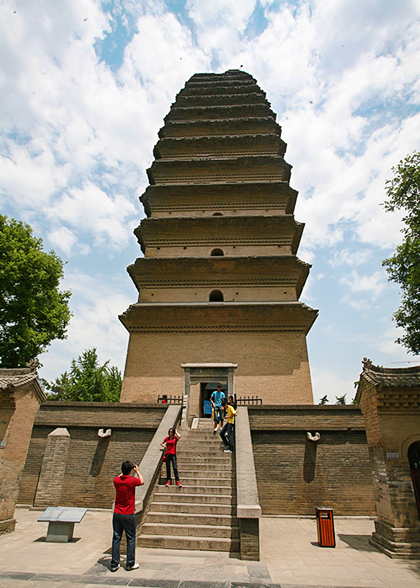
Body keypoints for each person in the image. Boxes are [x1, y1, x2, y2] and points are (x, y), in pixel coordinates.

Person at [111, 460, 144, 572]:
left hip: (117, 513)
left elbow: (119, 476)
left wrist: (124, 472)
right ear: (131, 470)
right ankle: (130, 563)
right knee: (130, 538)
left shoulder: (116, 480)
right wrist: (138, 471)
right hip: (128, 513)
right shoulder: (132, 481)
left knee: (116, 538)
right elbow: (142, 481)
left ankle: (114, 563)